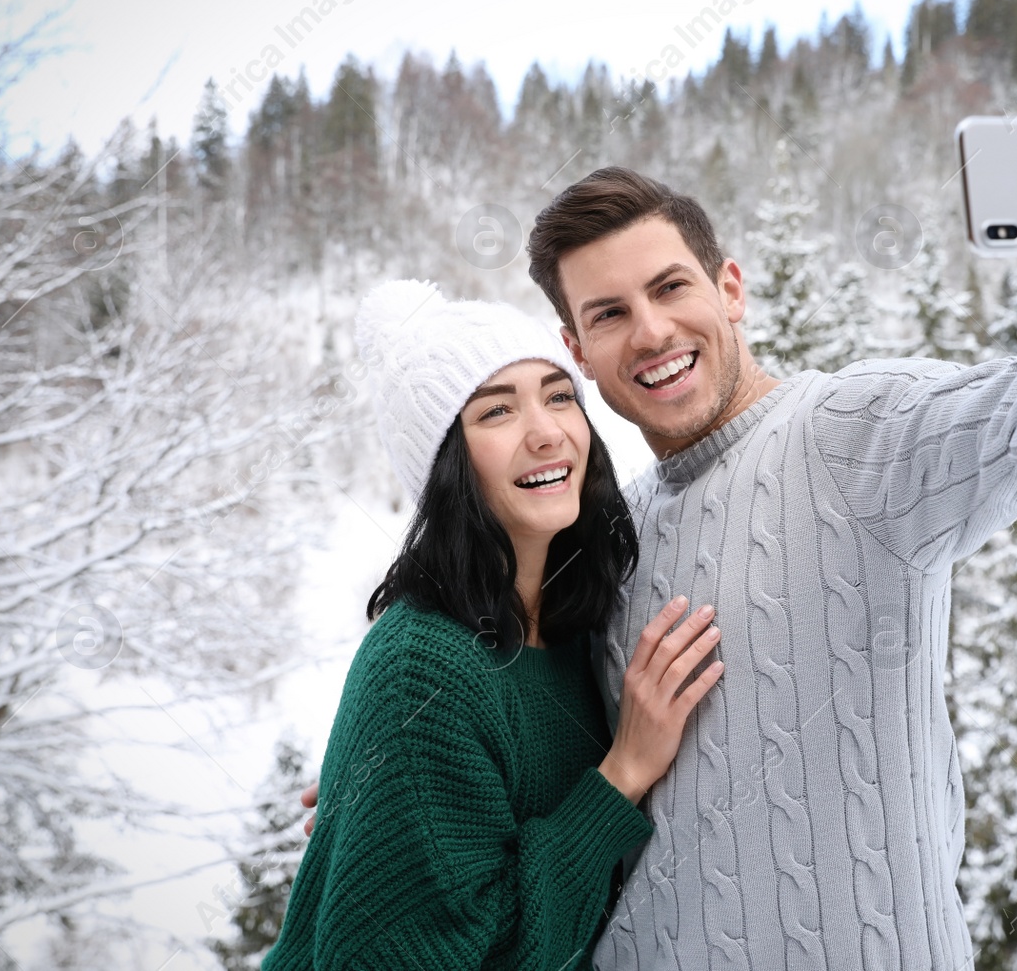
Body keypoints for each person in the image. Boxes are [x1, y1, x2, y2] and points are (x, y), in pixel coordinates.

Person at [303, 86, 1017, 969]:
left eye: (672, 288)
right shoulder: (608, 545)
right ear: (579, 350)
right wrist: (386, 811)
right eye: (610, 313)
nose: (652, 331)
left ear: (731, 289)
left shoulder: (854, 438)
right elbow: (540, 741)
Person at [261, 280, 722, 970]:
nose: (546, 432)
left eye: (559, 395)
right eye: (496, 411)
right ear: (447, 464)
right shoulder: (424, 666)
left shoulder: (574, 623)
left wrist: (399, 800)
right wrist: (621, 772)